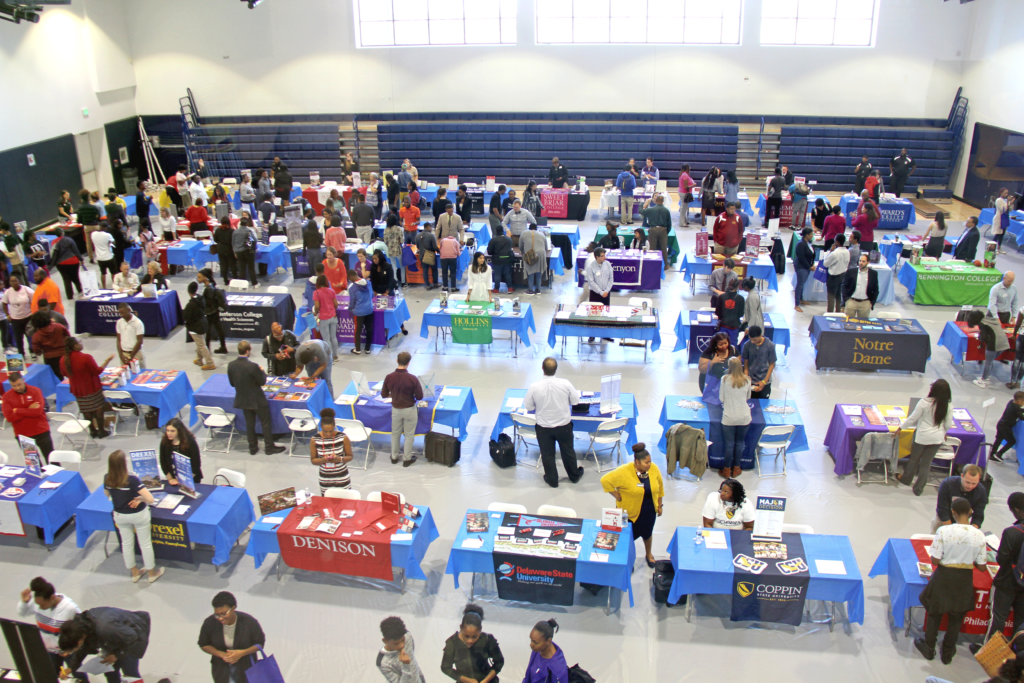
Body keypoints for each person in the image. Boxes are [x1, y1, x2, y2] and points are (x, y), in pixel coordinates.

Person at [914, 497, 987, 665]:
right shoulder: (979, 535)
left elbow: (936, 561)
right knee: (956, 617)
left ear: (953, 512)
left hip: (944, 576)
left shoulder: (944, 531)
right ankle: (948, 652)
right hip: (964, 580)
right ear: (970, 513)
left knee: (934, 613)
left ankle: (929, 647)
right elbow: (982, 567)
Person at [102, 450, 163, 583]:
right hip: (138, 515)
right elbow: (150, 499)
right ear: (124, 463)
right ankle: (152, 574)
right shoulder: (132, 480)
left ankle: (135, 573)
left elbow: (107, 494)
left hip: (120, 515)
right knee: (145, 544)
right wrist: (140, 499)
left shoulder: (107, 478)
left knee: (127, 544)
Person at [601, 443, 664, 567]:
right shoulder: (624, 471)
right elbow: (605, 480)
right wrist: (617, 495)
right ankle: (627, 560)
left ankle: (649, 554)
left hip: (648, 510)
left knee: (647, 533)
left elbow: (660, 487)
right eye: (646, 462)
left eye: (650, 461)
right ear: (637, 462)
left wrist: (659, 505)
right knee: (625, 538)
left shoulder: (654, 469)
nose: (649, 464)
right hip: (628, 513)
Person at [976, 492, 1024, 655]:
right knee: (1021, 620)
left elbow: (1002, 559)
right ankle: (1017, 652)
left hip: (1006, 583)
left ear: (1016, 510)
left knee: (998, 619)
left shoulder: (1011, 532)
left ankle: (988, 651)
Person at [524, 357, 584, 488]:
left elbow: (529, 407)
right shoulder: (566, 384)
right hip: (564, 426)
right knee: (568, 451)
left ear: (542, 369)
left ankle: (552, 480)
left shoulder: (534, 386)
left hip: (543, 428)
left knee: (547, 454)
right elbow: (575, 401)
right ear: (556, 369)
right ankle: (574, 476)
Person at [59, 606, 152, 683]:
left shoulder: (105, 628)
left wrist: (116, 654)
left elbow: (132, 636)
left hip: (134, 634)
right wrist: (70, 668)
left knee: (129, 672)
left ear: (78, 642)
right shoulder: (81, 628)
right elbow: (83, 648)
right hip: (115, 637)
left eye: (72, 650)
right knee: (110, 670)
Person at [18, 577, 84, 681]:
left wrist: (71, 650)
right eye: (38, 604)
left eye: (43, 605)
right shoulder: (38, 602)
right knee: (52, 676)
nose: (40, 607)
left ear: (52, 597)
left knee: (79, 676)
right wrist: (24, 602)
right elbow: (22, 613)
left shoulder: (70, 608)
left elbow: (82, 630)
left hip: (68, 651)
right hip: (50, 651)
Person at [894, 379, 954, 496]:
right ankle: (918, 489)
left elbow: (913, 418)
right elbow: (947, 424)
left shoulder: (924, 402)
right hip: (937, 438)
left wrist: (901, 428)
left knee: (914, 459)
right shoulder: (948, 405)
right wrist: (943, 433)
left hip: (922, 437)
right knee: (926, 464)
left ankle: (906, 479)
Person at [228, 341, 285, 456]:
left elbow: (232, 383)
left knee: (249, 424)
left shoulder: (231, 365)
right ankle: (269, 447)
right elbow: (262, 381)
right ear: (248, 351)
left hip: (243, 399)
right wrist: (262, 371)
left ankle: (252, 447)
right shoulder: (252, 366)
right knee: (265, 423)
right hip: (257, 400)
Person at [198, 592, 266, 683]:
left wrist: (241, 653)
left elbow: (260, 643)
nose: (220, 618)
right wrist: (221, 654)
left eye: (224, 614)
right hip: (221, 669)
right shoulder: (210, 623)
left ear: (233, 608)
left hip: (246, 667)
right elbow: (203, 644)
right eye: (217, 614)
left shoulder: (249, 622)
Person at [60, 337, 114, 438]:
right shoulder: (86, 357)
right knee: (98, 408)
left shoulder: (63, 359)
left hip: (78, 390)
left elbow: (64, 373)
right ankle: (101, 431)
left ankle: (92, 430)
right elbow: (97, 371)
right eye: (80, 342)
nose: (82, 343)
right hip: (92, 388)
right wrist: (107, 360)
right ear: (75, 345)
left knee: (85, 409)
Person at [440, 604, 504, 683]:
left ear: (480, 630)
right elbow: (445, 667)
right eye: (466, 636)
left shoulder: (488, 640)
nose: (470, 641)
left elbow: (499, 662)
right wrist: (466, 680)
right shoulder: (452, 643)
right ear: (461, 628)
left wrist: (485, 680)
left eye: (474, 637)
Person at [381, 351, 423, 467]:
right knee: (409, 435)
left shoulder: (389, 377)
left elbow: (384, 395)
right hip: (409, 409)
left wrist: (393, 394)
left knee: (395, 434)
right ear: (408, 363)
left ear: (397, 361)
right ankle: (406, 459)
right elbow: (420, 397)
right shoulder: (412, 379)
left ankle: (394, 457)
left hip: (396, 409)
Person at [2, 372, 53, 462]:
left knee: (52, 461)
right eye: (14, 386)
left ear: (23, 380)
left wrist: (17, 410)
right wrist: (28, 409)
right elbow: (9, 417)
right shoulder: (6, 397)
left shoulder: (35, 391)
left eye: (19, 384)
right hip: (23, 435)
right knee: (34, 466)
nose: (17, 388)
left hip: (41, 431)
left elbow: (37, 412)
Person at [718, 357, 752, 479]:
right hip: (744, 417)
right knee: (739, 444)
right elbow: (748, 396)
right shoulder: (747, 380)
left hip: (729, 417)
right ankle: (736, 468)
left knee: (729, 444)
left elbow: (721, 398)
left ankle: (727, 470)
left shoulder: (725, 379)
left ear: (729, 366)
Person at [309, 407, 353, 494]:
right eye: (325, 431)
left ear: (334, 426)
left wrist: (339, 459)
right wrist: (323, 460)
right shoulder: (315, 439)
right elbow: (313, 460)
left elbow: (350, 456)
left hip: (342, 477)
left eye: (331, 431)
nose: (328, 434)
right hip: (325, 479)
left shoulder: (342, 437)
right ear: (321, 427)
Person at [932, 465, 987, 532]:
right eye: (967, 482)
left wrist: (972, 533)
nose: (970, 486)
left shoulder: (981, 491)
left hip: (963, 521)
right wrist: (951, 531)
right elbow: (942, 510)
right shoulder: (947, 484)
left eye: (974, 483)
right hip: (943, 520)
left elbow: (978, 515)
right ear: (962, 476)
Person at [968, 308, 1009, 389]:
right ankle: (987, 377)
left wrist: (979, 336)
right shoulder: (989, 319)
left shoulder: (982, 323)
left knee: (988, 362)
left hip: (994, 343)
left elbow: (983, 338)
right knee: (990, 361)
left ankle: (983, 381)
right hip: (1004, 343)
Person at [377, 616, 423, 683]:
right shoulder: (383, 663)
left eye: (403, 640)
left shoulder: (407, 636)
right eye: (396, 644)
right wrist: (406, 666)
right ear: (385, 641)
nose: (402, 646)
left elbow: (412, 656)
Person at [159, 418, 203, 485]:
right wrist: (170, 478)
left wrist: (186, 480)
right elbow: (163, 461)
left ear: (179, 431)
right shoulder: (164, 442)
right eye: (167, 430)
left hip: (192, 479)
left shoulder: (190, 442)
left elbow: (196, 463)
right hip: (173, 480)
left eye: (172, 431)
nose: (169, 433)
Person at [185, 282, 216, 371]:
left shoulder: (191, 304)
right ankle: (199, 359)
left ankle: (210, 363)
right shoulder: (200, 298)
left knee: (201, 345)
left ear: (188, 291)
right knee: (200, 342)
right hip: (203, 323)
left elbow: (186, 316)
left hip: (195, 326)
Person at [196, 269, 228, 354]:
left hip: (210, 312)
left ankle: (207, 349)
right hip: (214, 311)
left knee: (208, 330)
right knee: (218, 328)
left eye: (199, 277)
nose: (198, 279)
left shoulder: (209, 288)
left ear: (205, 278)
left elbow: (209, 302)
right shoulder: (210, 285)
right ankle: (223, 347)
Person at [31, 311, 70, 379]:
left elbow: (37, 351)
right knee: (70, 374)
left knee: (57, 378)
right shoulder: (59, 326)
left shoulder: (36, 336)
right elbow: (68, 338)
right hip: (65, 355)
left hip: (50, 359)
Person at [47, 228, 83, 300]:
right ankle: (80, 291)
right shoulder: (69, 240)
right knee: (76, 277)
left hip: (61, 264)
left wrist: (51, 265)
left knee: (66, 280)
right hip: (73, 262)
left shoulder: (54, 242)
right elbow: (75, 250)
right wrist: (81, 259)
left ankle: (70, 296)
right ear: (62, 233)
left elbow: (53, 254)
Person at [741, 325, 776, 399]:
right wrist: (747, 379)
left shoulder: (770, 345)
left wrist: (764, 382)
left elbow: (772, 364)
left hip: (764, 380)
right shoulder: (747, 345)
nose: (753, 342)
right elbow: (746, 364)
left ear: (761, 335)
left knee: (763, 405)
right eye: (751, 339)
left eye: (755, 340)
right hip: (751, 380)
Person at [312, 275, 340, 362]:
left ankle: (329, 357)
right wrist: (332, 310)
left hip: (323, 318)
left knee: (326, 339)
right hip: (333, 316)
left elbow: (317, 306)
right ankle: (335, 356)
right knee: (333, 337)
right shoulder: (332, 291)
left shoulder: (316, 293)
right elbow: (336, 304)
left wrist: (316, 312)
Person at [842, 254, 879, 320]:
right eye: (860, 261)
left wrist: (871, 303)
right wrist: (846, 300)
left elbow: (876, 289)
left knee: (863, 324)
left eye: (863, 261)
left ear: (868, 262)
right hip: (851, 302)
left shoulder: (873, 273)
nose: (861, 263)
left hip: (865, 303)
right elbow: (844, 286)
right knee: (848, 323)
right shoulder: (851, 272)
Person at [2, 275, 33, 354]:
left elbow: (34, 299)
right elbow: (4, 303)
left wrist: (33, 312)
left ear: (19, 281)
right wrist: (8, 315)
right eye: (11, 281)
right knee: (18, 338)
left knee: (30, 335)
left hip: (27, 316)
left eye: (14, 281)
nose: (13, 283)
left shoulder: (26, 289)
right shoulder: (8, 292)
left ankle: (32, 352)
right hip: (15, 319)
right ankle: (21, 353)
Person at [348, 268, 375, 354]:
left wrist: (349, 309)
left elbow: (352, 302)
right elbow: (372, 295)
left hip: (358, 312)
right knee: (369, 329)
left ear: (351, 277)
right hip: (369, 310)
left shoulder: (352, 288)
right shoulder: (369, 283)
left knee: (357, 331)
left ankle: (358, 349)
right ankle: (367, 349)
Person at [991, 392, 1024, 461]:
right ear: (1020, 401)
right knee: (1012, 441)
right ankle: (999, 454)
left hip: (1000, 424)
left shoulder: (1011, 402)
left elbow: (1018, 410)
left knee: (998, 440)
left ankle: (992, 454)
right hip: (1006, 427)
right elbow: (1022, 417)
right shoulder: (1016, 408)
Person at [823, 233, 851, 313]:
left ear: (837, 241)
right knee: (838, 295)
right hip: (843, 275)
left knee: (831, 296)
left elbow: (826, 263)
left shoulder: (834, 253)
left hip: (834, 277)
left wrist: (830, 251)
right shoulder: (847, 251)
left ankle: (830, 313)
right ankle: (838, 311)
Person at [116, 303, 146, 368]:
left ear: (129, 310)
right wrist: (120, 355)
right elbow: (118, 340)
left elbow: (140, 341)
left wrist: (130, 357)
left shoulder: (138, 323)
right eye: (120, 313)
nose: (122, 315)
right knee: (126, 376)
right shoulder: (119, 322)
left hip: (136, 353)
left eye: (123, 313)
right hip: (124, 354)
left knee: (140, 375)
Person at [232, 215, 259, 288]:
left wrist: (235, 251)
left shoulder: (235, 232)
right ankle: (254, 283)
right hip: (248, 252)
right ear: (247, 224)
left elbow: (233, 242)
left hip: (239, 252)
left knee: (241, 268)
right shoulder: (248, 231)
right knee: (251, 268)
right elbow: (255, 240)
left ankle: (241, 285)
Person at [520, 225, 546, 296]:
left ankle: (530, 290)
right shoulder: (542, 234)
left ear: (529, 228)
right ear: (536, 229)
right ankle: (538, 290)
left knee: (530, 272)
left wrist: (523, 252)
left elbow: (520, 245)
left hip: (530, 254)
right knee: (538, 272)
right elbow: (546, 247)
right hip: (541, 254)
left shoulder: (524, 233)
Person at [486, 227, 513, 294]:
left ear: (496, 231)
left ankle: (496, 289)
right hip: (507, 259)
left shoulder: (493, 240)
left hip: (497, 260)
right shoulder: (509, 239)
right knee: (507, 274)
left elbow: (489, 252)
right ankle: (510, 288)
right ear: (503, 231)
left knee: (497, 275)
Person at [414, 224, 439, 291]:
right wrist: (438, 251)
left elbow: (418, 246)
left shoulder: (418, 235)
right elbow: (435, 247)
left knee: (425, 270)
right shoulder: (431, 235)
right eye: (431, 227)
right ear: (428, 227)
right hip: (430, 256)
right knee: (434, 270)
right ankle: (435, 283)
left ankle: (427, 285)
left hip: (422, 256)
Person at [384, 214, 406, 286]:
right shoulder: (399, 229)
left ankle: (395, 283)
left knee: (393, 266)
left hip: (390, 250)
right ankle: (403, 282)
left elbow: (385, 242)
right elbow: (402, 241)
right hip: (398, 250)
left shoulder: (386, 230)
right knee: (402, 266)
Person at [994, 187, 1013, 254]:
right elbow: (1003, 209)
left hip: (1005, 219)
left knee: (1002, 234)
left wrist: (1011, 203)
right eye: (1005, 193)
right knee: (998, 234)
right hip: (999, 218)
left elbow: (1010, 209)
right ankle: (993, 248)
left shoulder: (1005, 200)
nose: (1007, 194)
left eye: (1007, 193)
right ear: (1001, 193)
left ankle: (999, 248)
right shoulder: (998, 200)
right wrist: (1008, 202)